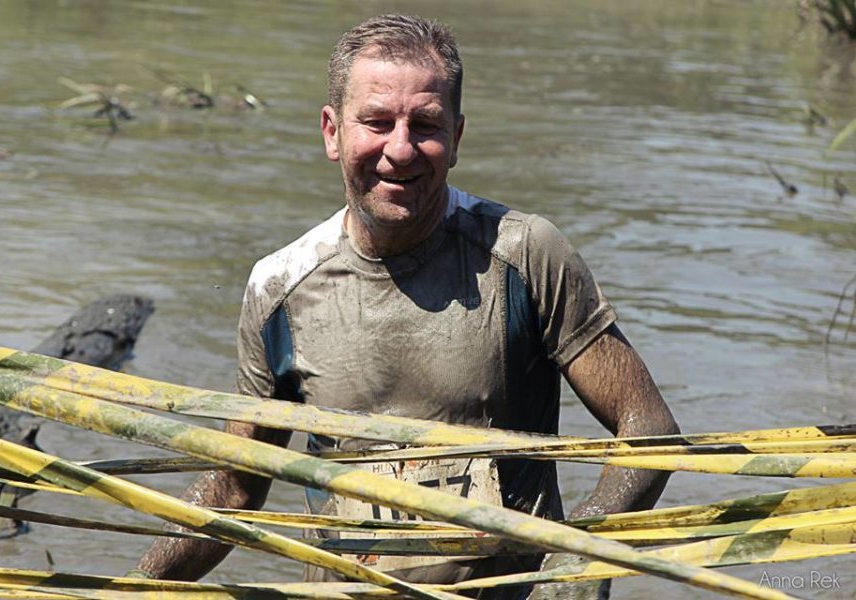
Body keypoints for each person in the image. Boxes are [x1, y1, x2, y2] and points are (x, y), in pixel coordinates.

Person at [132, 14, 679, 599]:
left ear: (457, 138)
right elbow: (236, 489)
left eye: (425, 125)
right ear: (332, 132)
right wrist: (132, 587)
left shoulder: (524, 255)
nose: (400, 149)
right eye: (376, 122)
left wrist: (574, 561)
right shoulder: (280, 289)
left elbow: (648, 429)